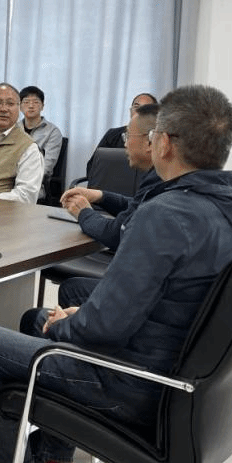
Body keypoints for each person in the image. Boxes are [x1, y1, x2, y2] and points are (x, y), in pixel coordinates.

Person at [0, 84, 232, 463]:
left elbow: (102, 330)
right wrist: (78, 316)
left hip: (130, 383)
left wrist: (66, 323)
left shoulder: (167, 215)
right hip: (182, 376)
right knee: (37, 317)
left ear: (164, 143)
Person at [57, 102, 160, 308]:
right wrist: (100, 196)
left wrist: (84, 212)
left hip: (142, 296)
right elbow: (136, 207)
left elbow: (114, 234)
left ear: (151, 141)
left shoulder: (161, 180)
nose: (125, 144)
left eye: (128, 136)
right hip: (151, 289)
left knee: (70, 291)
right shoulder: (161, 177)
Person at [85, 91, 158, 176]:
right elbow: (92, 167)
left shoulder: (158, 137)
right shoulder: (113, 134)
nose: (139, 111)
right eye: (136, 107)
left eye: (146, 108)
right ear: (130, 111)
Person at [18, 86, 63, 184]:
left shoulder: (52, 132)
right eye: (26, 102)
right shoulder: (13, 129)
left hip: (35, 183)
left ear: (42, 106)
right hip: (8, 181)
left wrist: (22, 178)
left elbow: (47, 167)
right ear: (20, 107)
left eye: (35, 102)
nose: (31, 106)